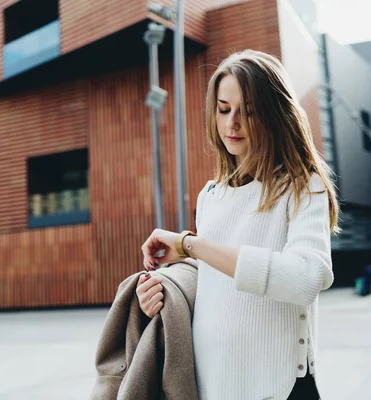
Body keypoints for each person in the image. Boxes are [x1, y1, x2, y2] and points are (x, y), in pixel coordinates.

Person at [136, 50, 338, 400]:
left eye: (249, 112)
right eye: (224, 109)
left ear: (277, 115)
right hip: (213, 389)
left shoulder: (304, 187)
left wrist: (189, 244)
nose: (232, 124)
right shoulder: (210, 196)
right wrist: (161, 290)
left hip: (280, 389)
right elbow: (214, 283)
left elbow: (306, 278)